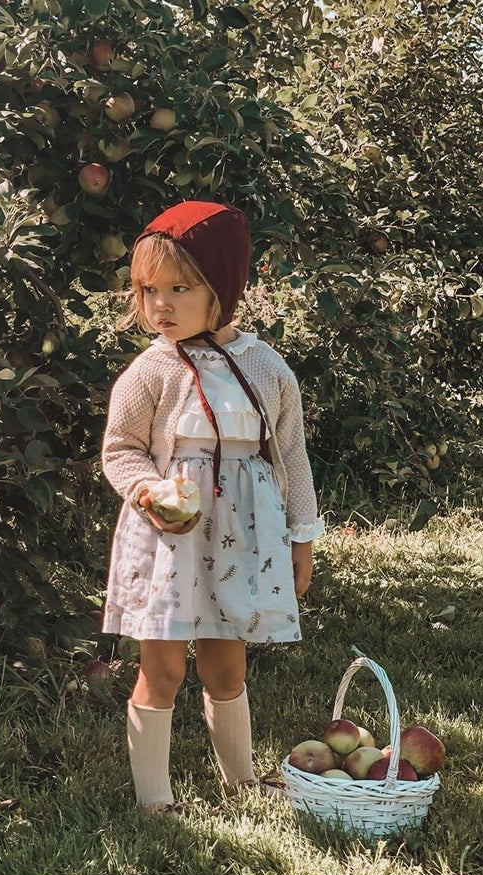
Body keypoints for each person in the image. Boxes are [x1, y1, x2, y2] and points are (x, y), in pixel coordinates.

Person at [101, 201, 324, 814]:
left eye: (180, 288)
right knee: (165, 669)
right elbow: (119, 450)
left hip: (242, 537)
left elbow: (292, 458)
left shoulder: (264, 366)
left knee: (226, 667)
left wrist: (301, 539)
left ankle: (241, 780)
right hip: (169, 537)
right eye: (148, 290)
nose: (160, 305)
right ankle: (155, 800)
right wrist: (150, 490)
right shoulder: (151, 370)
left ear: (221, 289)